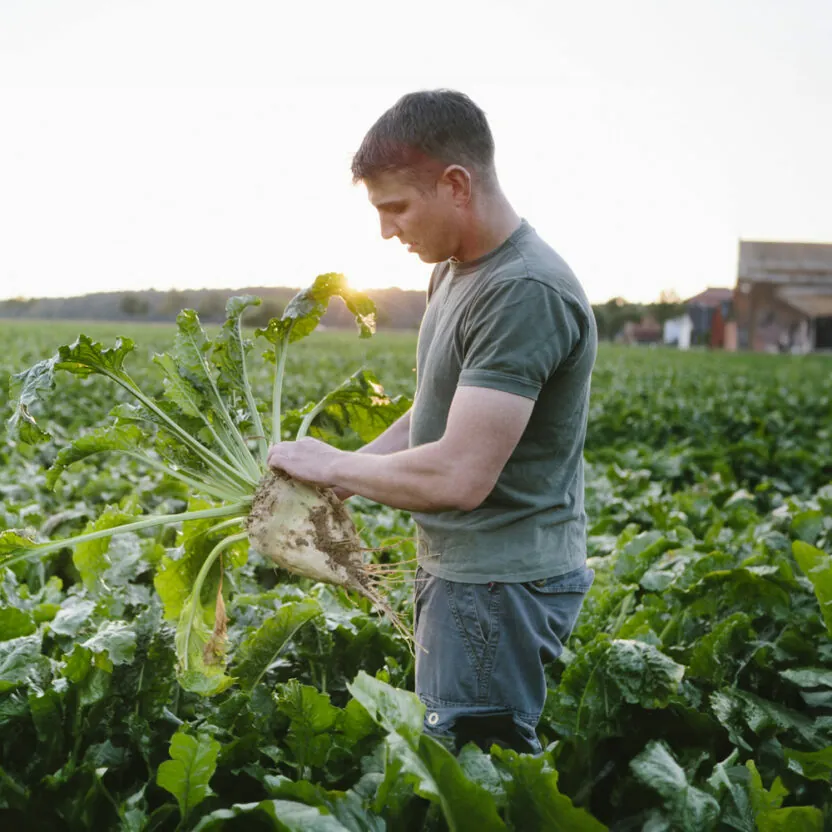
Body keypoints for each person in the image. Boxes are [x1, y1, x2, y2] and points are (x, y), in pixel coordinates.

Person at [267, 89, 598, 754]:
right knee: (457, 760)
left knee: (479, 779)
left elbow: (460, 474)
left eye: (396, 208)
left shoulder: (522, 290)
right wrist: (348, 474)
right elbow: (436, 413)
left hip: (498, 584)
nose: (387, 231)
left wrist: (329, 464)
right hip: (466, 574)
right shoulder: (455, 271)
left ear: (455, 185)